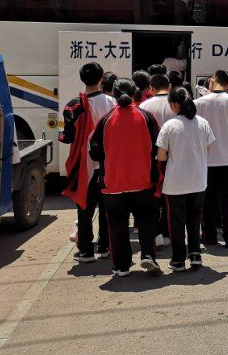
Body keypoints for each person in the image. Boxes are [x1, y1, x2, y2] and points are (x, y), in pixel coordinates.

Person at [89, 79, 162, 277]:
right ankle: (148, 255)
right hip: (143, 181)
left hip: (113, 183)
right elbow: (158, 147)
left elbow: (94, 153)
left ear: (113, 93)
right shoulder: (146, 117)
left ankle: (121, 266)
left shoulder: (105, 120)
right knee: (146, 221)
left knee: (117, 226)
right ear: (134, 92)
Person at [59, 62, 116, 262]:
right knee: (106, 208)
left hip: (85, 165)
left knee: (84, 208)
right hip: (108, 164)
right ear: (101, 78)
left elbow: (68, 137)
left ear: (82, 79)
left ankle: (85, 251)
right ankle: (105, 246)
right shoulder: (113, 103)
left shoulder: (74, 105)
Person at [157, 87, 214, 272]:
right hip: (198, 180)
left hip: (175, 183)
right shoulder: (203, 123)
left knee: (177, 222)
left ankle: (178, 260)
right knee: (194, 219)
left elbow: (161, 156)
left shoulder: (169, 126)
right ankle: (195, 255)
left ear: (174, 104)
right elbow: (207, 150)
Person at [195, 70, 228, 248]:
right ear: (227, 83)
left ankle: (209, 235)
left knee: (207, 200)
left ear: (212, 81)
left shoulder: (198, 103)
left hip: (206, 159)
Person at [139, 73, 175, 247]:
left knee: (152, 197)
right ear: (169, 87)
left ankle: (155, 233)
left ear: (151, 89)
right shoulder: (176, 103)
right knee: (170, 197)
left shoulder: (144, 105)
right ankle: (168, 232)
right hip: (174, 157)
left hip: (152, 158)